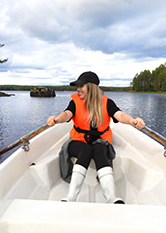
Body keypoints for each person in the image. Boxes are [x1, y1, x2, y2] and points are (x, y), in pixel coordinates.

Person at [47, 71, 145, 203]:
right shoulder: (75, 102)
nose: (78, 89)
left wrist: (133, 121)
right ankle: (71, 196)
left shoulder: (107, 103)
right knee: (86, 149)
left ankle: (111, 197)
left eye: (81, 86)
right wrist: (57, 119)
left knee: (99, 149)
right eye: (77, 86)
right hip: (78, 141)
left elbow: (119, 115)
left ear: (91, 87)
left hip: (101, 141)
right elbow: (67, 114)